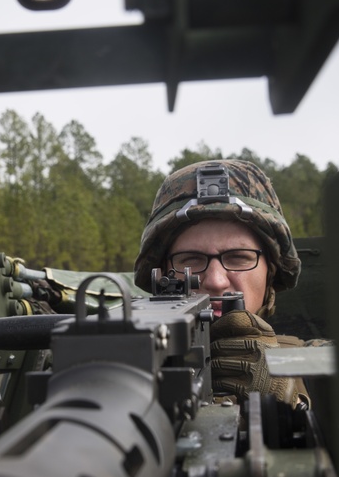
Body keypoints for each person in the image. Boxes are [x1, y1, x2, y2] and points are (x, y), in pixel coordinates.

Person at [133, 159, 310, 409]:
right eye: (191, 260)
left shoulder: (324, 361)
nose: (216, 281)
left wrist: (296, 400)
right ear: (161, 272)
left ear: (270, 270)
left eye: (239, 258)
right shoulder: (125, 359)